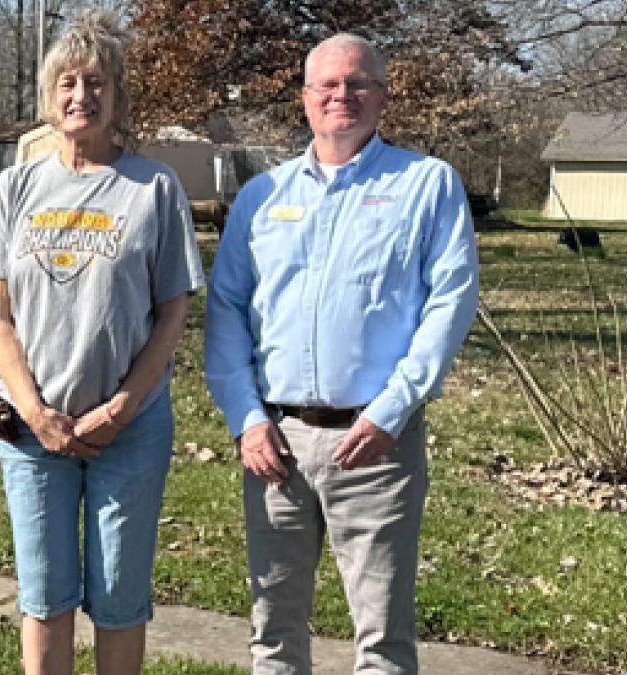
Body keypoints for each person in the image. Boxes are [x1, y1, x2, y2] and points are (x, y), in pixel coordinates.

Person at [203, 33, 481, 675]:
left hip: (375, 441)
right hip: (276, 442)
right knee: (273, 636)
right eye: (327, 84)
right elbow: (225, 312)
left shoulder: (426, 185)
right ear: (304, 98)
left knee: (382, 641)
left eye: (358, 83)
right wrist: (245, 418)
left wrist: (392, 410)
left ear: (383, 95)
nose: (342, 95)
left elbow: (450, 304)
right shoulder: (261, 198)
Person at [0, 12, 205, 675]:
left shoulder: (154, 187)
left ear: (119, 95)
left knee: (119, 598)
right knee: (44, 596)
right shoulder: (15, 186)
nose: (83, 95)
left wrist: (120, 408)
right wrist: (37, 413)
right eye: (69, 82)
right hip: (32, 430)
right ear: (50, 96)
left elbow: (172, 313)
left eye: (98, 81)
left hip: (126, 432)